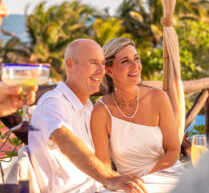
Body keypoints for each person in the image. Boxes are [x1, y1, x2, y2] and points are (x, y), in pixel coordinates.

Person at [28, 39, 147, 193]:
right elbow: (66, 142)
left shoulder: (87, 108)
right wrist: (110, 178)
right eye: (93, 63)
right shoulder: (53, 102)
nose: (101, 70)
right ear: (70, 65)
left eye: (103, 63)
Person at [91, 38, 181, 177]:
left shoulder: (158, 98)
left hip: (168, 173)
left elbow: (173, 150)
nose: (135, 65)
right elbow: (104, 167)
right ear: (109, 70)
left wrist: (147, 180)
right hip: (129, 185)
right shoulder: (101, 111)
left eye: (136, 58)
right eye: (125, 61)